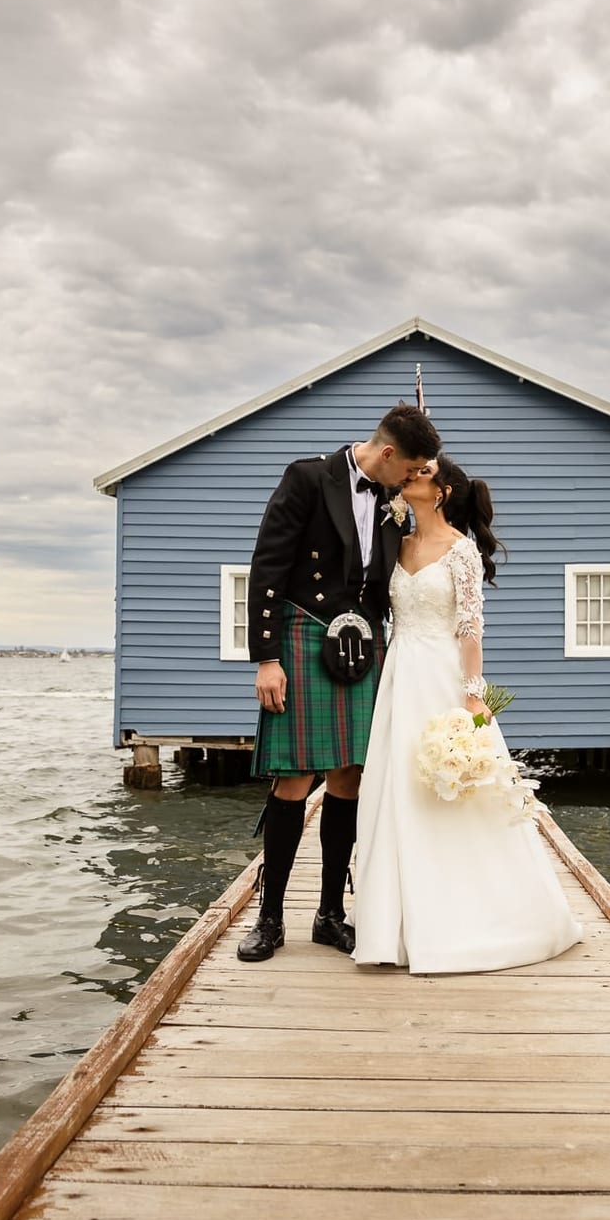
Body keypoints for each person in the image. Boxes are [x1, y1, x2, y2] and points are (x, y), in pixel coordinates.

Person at [350, 455, 584, 973]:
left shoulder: (461, 552)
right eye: (410, 471)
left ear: (443, 492)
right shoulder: (395, 543)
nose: (410, 475)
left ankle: (476, 918)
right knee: (395, 791)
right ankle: (394, 929)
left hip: (442, 679)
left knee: (453, 791)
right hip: (397, 679)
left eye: (423, 473)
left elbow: (469, 629)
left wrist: (474, 698)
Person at [238, 403, 442, 962]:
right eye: (409, 469)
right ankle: (271, 918)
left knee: (349, 778)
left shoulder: (390, 501)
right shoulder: (307, 478)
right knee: (294, 779)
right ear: (387, 453)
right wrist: (266, 658)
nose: (409, 481)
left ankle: (330, 914)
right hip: (304, 636)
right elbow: (268, 566)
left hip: (363, 646)